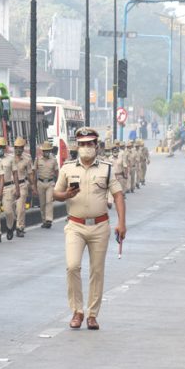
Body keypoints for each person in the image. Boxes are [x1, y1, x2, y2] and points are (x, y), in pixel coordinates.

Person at [53, 127, 126, 330]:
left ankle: (92, 314)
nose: (86, 148)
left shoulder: (106, 168)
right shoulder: (67, 168)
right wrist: (66, 194)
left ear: (96, 145)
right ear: (77, 145)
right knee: (72, 266)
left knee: (97, 270)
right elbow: (55, 193)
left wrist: (122, 223)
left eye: (90, 143)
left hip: (100, 225)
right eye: (82, 144)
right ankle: (77, 311)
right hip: (75, 225)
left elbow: (118, 195)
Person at [0, 137, 20, 241]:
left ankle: (10, 227)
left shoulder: (10, 159)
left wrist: (17, 189)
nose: (0, 149)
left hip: (8, 187)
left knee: (8, 211)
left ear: (5, 148)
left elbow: (15, 174)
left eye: (2, 147)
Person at [13, 137, 37, 237]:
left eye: (20, 148)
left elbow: (30, 174)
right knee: (10, 208)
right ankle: (13, 224)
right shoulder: (9, 158)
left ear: (23, 148)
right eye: (16, 147)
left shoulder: (27, 159)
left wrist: (33, 186)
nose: (18, 149)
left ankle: (20, 227)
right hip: (11, 185)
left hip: (22, 184)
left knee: (20, 207)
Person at [36, 141, 59, 228]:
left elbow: (57, 172)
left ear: (50, 151)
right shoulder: (38, 159)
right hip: (40, 183)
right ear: (42, 151)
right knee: (42, 203)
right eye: (45, 150)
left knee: (49, 201)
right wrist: (34, 186)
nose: (46, 152)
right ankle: (44, 220)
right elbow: (34, 171)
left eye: (48, 150)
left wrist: (58, 184)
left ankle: (49, 220)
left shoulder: (53, 160)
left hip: (50, 183)